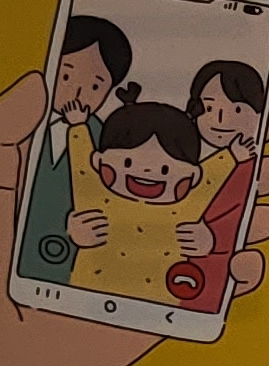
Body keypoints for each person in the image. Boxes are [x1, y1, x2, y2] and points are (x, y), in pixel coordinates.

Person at [65, 90, 210, 303]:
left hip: (160, 301)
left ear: (194, 176)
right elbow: (81, 167)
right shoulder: (92, 192)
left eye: (164, 170)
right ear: (98, 161)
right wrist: (72, 229)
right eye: (127, 163)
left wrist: (206, 241)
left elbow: (214, 180)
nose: (147, 172)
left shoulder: (189, 206)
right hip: (86, 294)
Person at [17, 13, 131, 280]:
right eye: (67, 76)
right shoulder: (22, 121)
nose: (78, 93)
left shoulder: (105, 141)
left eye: (95, 86)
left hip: (73, 268)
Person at [176, 59, 269, 308]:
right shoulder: (184, 159)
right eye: (209, 108)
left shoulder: (257, 171)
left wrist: (215, 240)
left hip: (217, 279)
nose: (221, 118)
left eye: (237, 110)